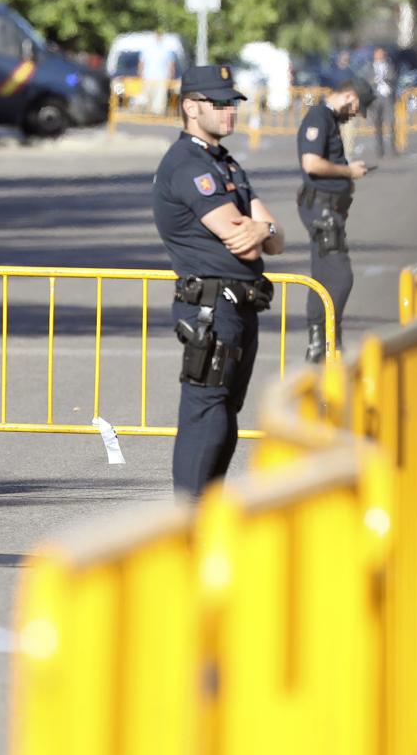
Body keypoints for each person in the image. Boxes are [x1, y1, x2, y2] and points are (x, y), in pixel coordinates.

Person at [152, 65, 285, 500]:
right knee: (206, 413)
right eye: (219, 103)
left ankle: (205, 515)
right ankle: (187, 522)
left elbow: (275, 238)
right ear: (191, 107)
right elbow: (244, 243)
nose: (230, 112)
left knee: (226, 413)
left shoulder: (223, 161)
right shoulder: (187, 164)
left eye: (232, 103)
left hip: (240, 304)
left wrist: (262, 230)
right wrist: (259, 231)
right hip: (211, 306)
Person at [296, 76, 374, 362]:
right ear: (349, 96)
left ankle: (319, 342)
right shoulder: (319, 117)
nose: (355, 114)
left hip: (329, 208)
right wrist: (348, 172)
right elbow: (312, 164)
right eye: (356, 108)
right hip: (321, 209)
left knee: (324, 275)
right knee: (340, 277)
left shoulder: (328, 119)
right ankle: (327, 338)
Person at [362, 47, 397, 158]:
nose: (380, 57)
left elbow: (394, 77)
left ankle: (392, 148)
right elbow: (365, 82)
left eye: (382, 55)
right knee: (377, 125)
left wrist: (386, 80)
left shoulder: (389, 67)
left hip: (387, 98)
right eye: (378, 55)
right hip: (375, 99)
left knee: (391, 122)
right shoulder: (369, 68)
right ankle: (379, 149)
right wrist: (374, 81)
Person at [138, 30, 177, 117]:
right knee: (154, 99)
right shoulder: (151, 49)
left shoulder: (165, 50)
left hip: (158, 78)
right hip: (153, 77)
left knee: (155, 99)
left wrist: (140, 74)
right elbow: (141, 63)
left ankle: (153, 114)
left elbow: (171, 65)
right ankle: (153, 114)